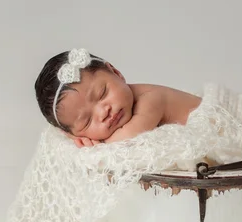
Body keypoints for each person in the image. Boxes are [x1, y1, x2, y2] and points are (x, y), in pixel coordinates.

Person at [34, 48, 202, 148]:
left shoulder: (151, 100)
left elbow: (125, 143)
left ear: (115, 72)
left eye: (102, 93)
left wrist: (92, 148)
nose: (103, 112)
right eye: (86, 121)